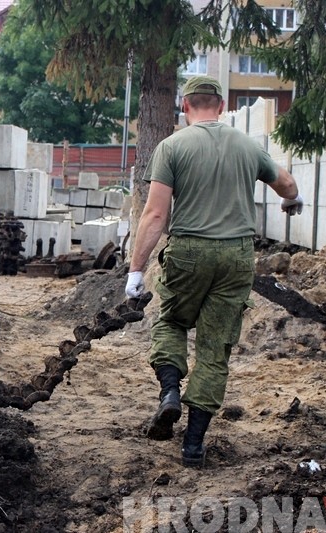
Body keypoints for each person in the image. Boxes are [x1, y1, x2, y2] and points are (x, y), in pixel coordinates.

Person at [125, 75, 302, 468]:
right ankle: (192, 445)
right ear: (220, 106)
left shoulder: (171, 147)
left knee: (170, 321)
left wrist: (136, 271)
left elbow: (155, 214)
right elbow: (286, 184)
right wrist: (295, 199)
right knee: (215, 347)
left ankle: (170, 392)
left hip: (188, 252)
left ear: (184, 107)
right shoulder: (248, 146)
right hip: (237, 256)